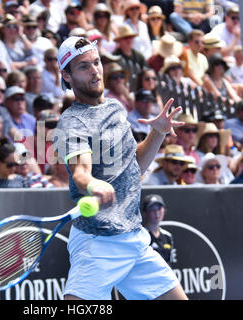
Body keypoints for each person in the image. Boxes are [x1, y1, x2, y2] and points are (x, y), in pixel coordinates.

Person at [54, 36, 187, 300]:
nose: (94, 70)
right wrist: (94, 184)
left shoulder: (116, 107)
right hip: (98, 243)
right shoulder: (71, 122)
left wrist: (157, 133)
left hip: (133, 237)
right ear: (67, 76)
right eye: (83, 66)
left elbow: (134, 166)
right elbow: (80, 172)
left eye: (96, 62)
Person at [141, 194, 175, 266]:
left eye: (159, 208)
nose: (157, 213)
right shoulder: (140, 236)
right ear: (145, 212)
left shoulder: (168, 236)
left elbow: (170, 263)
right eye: (152, 209)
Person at [112, 24, 147, 92]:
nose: (129, 40)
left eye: (130, 37)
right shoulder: (114, 57)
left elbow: (147, 73)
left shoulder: (139, 56)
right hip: (121, 93)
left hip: (139, 94)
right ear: (119, 41)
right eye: (125, 38)